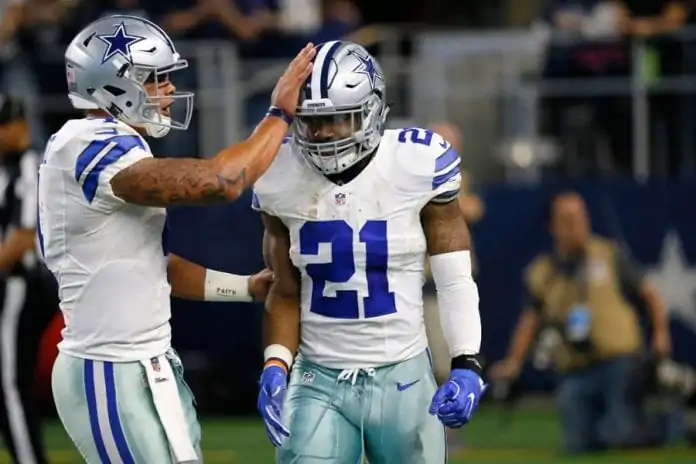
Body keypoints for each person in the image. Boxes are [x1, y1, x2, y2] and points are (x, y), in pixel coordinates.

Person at [38, 14, 314, 463]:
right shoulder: (87, 142)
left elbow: (152, 269)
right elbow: (219, 182)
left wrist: (244, 287)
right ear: (113, 83)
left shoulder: (117, 144)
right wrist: (279, 114)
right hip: (108, 366)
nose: (168, 89)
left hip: (150, 363)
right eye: (155, 78)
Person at [253, 40, 486, 463]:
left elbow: (454, 278)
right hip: (316, 376)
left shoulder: (415, 163)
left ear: (372, 110)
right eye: (311, 120)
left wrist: (466, 362)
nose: (323, 133)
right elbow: (285, 291)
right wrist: (275, 363)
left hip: (402, 372)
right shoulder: (277, 173)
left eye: (336, 118)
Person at [489, 192, 671, 454]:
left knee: (623, 433)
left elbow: (650, 295)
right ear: (553, 227)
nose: (577, 225)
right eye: (568, 219)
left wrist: (661, 336)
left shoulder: (608, 254)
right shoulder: (543, 273)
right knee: (578, 445)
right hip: (575, 368)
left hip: (618, 360)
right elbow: (529, 321)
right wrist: (513, 363)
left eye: (581, 217)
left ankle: (672, 424)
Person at [0, 93, 57, 464]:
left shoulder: (29, 165)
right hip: (12, 282)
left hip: (22, 283)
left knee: (8, 383)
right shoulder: (9, 168)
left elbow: (22, 237)